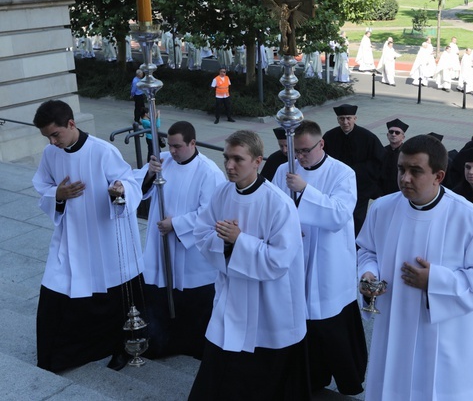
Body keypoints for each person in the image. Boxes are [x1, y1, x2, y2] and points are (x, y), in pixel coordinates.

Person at [357, 134, 473, 401]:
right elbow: (368, 250)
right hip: (394, 328)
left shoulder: (469, 218)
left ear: (439, 176)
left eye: (415, 171)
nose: (405, 178)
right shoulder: (383, 208)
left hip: (444, 336)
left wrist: (435, 280)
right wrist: (368, 274)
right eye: (401, 169)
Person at [189, 130, 308, 400]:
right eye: (226, 158)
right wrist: (226, 244)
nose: (229, 166)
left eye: (237, 159)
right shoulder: (221, 194)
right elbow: (201, 233)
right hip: (232, 295)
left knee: (261, 373)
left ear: (257, 161)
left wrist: (238, 241)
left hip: (267, 302)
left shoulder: (279, 203)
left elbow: (280, 259)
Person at [32, 100, 144, 373]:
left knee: (114, 293)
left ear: (71, 124)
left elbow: (128, 182)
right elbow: (42, 184)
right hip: (71, 236)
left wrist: (119, 190)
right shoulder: (51, 154)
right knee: (55, 291)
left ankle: (122, 348)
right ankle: (57, 357)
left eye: (55, 134)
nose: (52, 141)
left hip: (104, 236)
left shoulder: (103, 151)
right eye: (47, 137)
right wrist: (57, 195)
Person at [272, 121, 367, 395]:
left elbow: (339, 214)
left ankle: (348, 380)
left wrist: (305, 189)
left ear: (321, 144)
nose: (300, 157)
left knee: (330, 326)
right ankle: (309, 378)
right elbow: (275, 206)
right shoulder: (284, 169)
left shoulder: (342, 173)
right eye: (296, 152)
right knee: (299, 322)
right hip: (295, 257)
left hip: (328, 261)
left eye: (305, 151)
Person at [134, 121, 225, 359]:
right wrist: (150, 173)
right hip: (160, 243)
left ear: (192, 143)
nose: (172, 151)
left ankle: (194, 345)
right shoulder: (163, 161)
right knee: (160, 294)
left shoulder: (209, 172)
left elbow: (211, 214)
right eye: (170, 145)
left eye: (178, 146)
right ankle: (162, 342)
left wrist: (176, 224)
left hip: (190, 251)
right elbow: (142, 188)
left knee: (193, 302)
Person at [322, 104, 385, 235]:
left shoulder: (368, 137)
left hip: (360, 187)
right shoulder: (329, 136)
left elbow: (378, 161)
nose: (345, 122)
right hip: (335, 186)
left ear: (355, 118)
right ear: (337, 120)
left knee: (357, 219)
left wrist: (355, 171)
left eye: (348, 118)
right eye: (342, 118)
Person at [380, 118, 408, 195]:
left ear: (403, 137)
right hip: (382, 192)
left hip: (400, 192)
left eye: (397, 132)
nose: (393, 134)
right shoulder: (381, 151)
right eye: (391, 132)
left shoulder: (407, 153)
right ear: (387, 135)